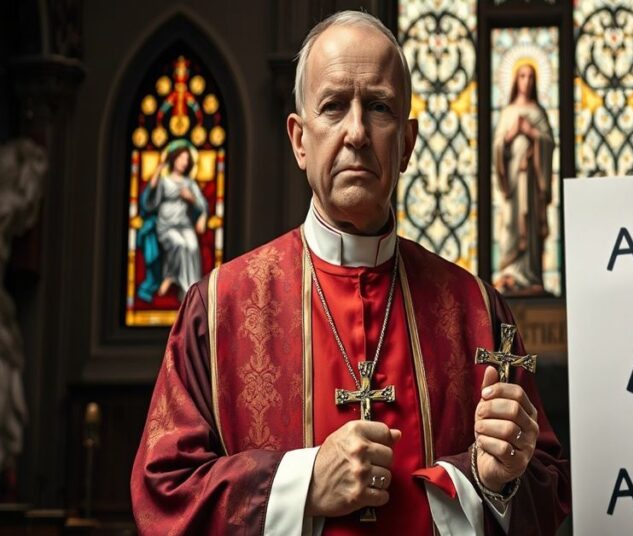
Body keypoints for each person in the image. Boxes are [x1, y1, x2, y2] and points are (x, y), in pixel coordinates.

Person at [130, 10, 570, 536]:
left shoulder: (476, 310)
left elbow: (548, 486)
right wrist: (304, 483)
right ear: (299, 139)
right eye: (334, 107)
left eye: (379, 108)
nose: (357, 133)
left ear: (406, 143)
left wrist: (492, 484)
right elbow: (163, 491)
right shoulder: (220, 307)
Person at [492, 62, 555, 296]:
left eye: (530, 77)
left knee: (529, 226)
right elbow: (497, 147)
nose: (526, 81)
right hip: (512, 183)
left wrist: (531, 132)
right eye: (522, 76)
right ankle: (509, 273)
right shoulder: (508, 113)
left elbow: (548, 143)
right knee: (511, 223)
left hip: (531, 182)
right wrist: (509, 136)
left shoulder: (538, 113)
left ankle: (530, 276)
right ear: (515, 80)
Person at [137, 140, 208, 302]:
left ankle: (190, 292)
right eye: (182, 158)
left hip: (185, 224)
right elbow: (149, 201)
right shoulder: (164, 181)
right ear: (174, 159)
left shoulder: (189, 183)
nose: (184, 162)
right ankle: (175, 281)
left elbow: (202, 204)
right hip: (167, 225)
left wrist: (191, 200)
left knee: (192, 246)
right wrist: (158, 170)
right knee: (179, 244)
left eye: (187, 160)